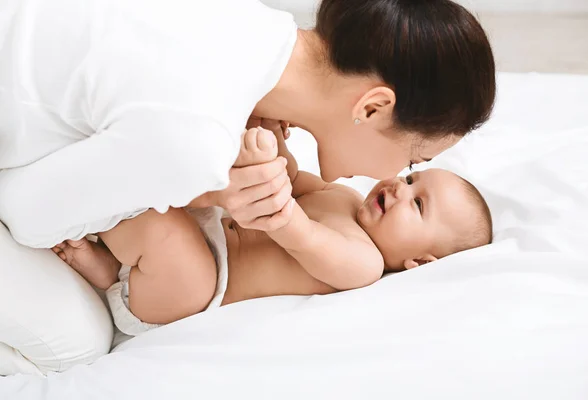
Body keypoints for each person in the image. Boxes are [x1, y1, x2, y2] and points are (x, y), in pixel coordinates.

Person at [0, 0, 495, 374]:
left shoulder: (251, 22)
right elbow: (21, 211)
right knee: (78, 346)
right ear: (372, 108)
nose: (398, 178)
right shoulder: (198, 141)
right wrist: (206, 191)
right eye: (414, 161)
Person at [53, 124, 493, 335]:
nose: (400, 187)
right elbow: (293, 176)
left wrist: (276, 203)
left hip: (196, 292)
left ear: (419, 263)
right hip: (208, 228)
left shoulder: (364, 263)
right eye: (412, 178)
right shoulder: (343, 198)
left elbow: (301, 235)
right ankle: (101, 199)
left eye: (417, 204)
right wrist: (270, 141)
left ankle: (108, 271)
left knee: (176, 246)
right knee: (180, 195)